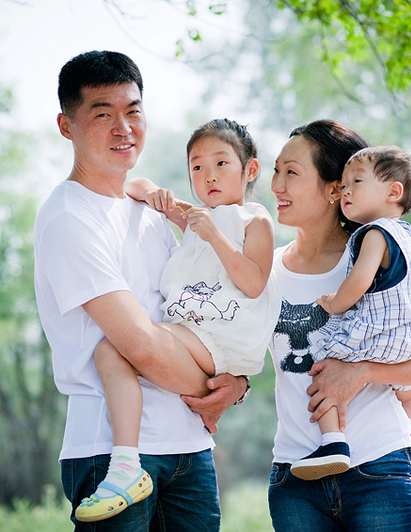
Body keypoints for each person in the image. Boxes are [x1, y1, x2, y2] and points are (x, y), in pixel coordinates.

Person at [33, 51, 247, 531]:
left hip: (189, 446)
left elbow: (200, 312)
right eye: (102, 114)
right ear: (67, 126)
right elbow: (140, 345)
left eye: (133, 111)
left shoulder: (150, 210)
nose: (123, 128)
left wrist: (237, 382)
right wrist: (216, 391)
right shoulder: (69, 218)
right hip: (110, 452)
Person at [79, 118, 280, 522]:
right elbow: (134, 185)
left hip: (221, 337)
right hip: (195, 334)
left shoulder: (253, 220)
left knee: (112, 350)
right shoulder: (197, 217)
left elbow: (254, 282)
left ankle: (124, 465)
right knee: (112, 351)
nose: (209, 176)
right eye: (197, 167)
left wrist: (214, 237)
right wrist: (155, 193)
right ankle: (128, 459)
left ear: (250, 170)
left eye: (221, 163)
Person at [267, 120, 411, 531]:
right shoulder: (265, 270)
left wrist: (360, 372)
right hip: (295, 480)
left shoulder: (373, 259)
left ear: (335, 189)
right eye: (275, 170)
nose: (276, 185)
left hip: (380, 470)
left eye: (291, 172)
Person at [289, 146, 411, 489]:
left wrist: (334, 303)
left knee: (323, 361)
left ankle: (333, 443)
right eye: (343, 184)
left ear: (393, 191)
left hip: (377, 334)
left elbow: (358, 282)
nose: (346, 191)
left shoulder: (375, 233)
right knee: (409, 397)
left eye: (356, 181)